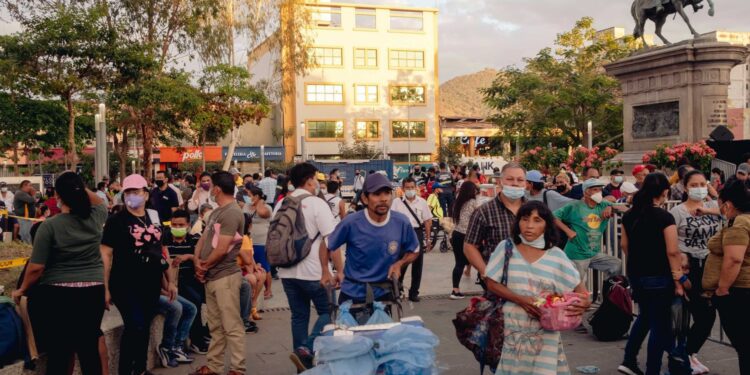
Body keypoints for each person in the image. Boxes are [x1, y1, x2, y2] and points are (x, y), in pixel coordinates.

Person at [12, 172, 107, 375]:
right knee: (89, 349)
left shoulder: (49, 226)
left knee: (60, 352)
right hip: (94, 291)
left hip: (59, 294)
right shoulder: (95, 218)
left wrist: (22, 289)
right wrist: (77, 185)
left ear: (57, 196)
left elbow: (36, 267)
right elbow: (99, 202)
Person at [484, 201, 591, 375]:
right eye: (525, 219)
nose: (529, 226)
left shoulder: (556, 256)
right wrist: (522, 300)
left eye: (537, 220)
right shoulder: (506, 248)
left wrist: (583, 304)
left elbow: (582, 292)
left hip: (546, 334)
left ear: (546, 225)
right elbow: (491, 283)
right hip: (511, 333)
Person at [101, 174, 175, 375]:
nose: (132, 196)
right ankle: (126, 370)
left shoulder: (154, 216)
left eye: (136, 191)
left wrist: (170, 280)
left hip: (150, 282)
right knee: (135, 324)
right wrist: (105, 288)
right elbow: (106, 254)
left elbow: (162, 250)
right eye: (128, 192)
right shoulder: (116, 221)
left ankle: (140, 369)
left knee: (145, 326)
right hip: (124, 283)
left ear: (146, 193)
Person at [618, 173, 687, 375]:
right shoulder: (665, 217)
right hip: (660, 276)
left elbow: (624, 245)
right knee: (659, 325)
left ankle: (629, 359)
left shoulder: (630, 215)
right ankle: (652, 370)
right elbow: (673, 251)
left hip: (637, 274)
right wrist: (679, 280)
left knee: (645, 317)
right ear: (665, 192)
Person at [272, 163, 337, 371]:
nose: (317, 183)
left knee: (299, 316)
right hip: (314, 272)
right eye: (316, 179)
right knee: (329, 313)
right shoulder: (317, 204)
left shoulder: (282, 204)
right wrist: (339, 270)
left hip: (287, 271)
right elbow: (332, 240)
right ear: (309, 180)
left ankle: (301, 365)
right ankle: (306, 351)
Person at [321, 171, 420, 306]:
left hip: (384, 294)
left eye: (387, 193)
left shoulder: (401, 222)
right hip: (352, 294)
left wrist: (399, 264)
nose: (383, 199)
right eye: (377, 194)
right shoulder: (351, 222)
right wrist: (326, 271)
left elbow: (414, 250)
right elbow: (326, 244)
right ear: (365, 198)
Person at [190, 171, 246, 375]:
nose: (208, 188)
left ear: (218, 189)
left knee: (231, 325)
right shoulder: (215, 212)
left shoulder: (232, 212)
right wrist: (197, 259)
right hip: (211, 276)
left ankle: (237, 368)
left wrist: (203, 266)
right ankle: (214, 366)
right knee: (215, 326)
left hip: (225, 276)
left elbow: (222, 248)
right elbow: (204, 238)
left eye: (210, 185)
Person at [669, 170, 722, 373]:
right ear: (685, 187)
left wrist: (708, 208)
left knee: (707, 315)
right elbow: (670, 244)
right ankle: (684, 354)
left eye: (702, 184)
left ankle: (689, 354)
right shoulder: (677, 212)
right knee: (703, 315)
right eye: (694, 185)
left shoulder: (712, 206)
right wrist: (678, 274)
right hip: (690, 267)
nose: (699, 188)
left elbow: (732, 210)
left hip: (711, 267)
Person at [703, 181, 750, 374]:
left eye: (720, 205)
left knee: (744, 345)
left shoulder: (739, 223)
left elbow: (733, 259)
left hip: (738, 291)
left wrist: (722, 289)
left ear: (728, 205)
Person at [464, 162, 527, 291]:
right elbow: (469, 246)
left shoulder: (534, 211)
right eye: (510, 179)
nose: (515, 183)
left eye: (520, 180)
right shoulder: (484, 212)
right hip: (497, 283)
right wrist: (486, 273)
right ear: (500, 182)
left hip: (529, 281)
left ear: (525, 184)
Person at [554, 179, 623, 284]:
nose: (599, 192)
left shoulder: (603, 204)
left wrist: (611, 206)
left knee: (616, 264)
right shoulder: (574, 206)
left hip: (593, 253)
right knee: (576, 286)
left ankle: (608, 293)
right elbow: (553, 217)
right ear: (586, 192)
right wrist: (568, 231)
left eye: (600, 190)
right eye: (595, 189)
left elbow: (623, 208)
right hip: (577, 254)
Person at [164, 209, 210, 355]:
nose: (177, 228)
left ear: (188, 225)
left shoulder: (195, 239)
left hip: (193, 278)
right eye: (174, 225)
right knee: (194, 300)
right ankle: (196, 340)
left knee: (216, 295)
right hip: (175, 281)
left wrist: (189, 257)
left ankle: (205, 331)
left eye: (180, 225)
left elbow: (203, 259)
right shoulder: (164, 241)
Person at [390, 177, 433, 302]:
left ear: (416, 188)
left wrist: (428, 239)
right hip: (401, 234)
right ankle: (398, 289)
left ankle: (414, 292)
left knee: (418, 264)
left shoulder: (422, 202)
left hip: (417, 232)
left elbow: (427, 221)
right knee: (402, 262)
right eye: (407, 188)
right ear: (403, 189)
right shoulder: (396, 203)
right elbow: (391, 221)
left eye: (412, 187)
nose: (410, 190)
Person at [243, 185, 274, 302]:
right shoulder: (246, 206)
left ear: (256, 196)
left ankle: (268, 289)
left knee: (264, 266)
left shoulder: (266, 207)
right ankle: (255, 290)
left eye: (249, 195)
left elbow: (262, 213)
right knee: (252, 265)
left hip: (262, 241)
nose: (247, 197)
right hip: (248, 241)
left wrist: (259, 203)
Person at [449, 181, 480, 299]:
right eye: (474, 189)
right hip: (467, 235)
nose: (476, 191)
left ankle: (455, 289)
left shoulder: (458, 201)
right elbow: (479, 215)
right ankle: (482, 281)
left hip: (456, 234)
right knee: (479, 258)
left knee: (458, 263)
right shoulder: (472, 202)